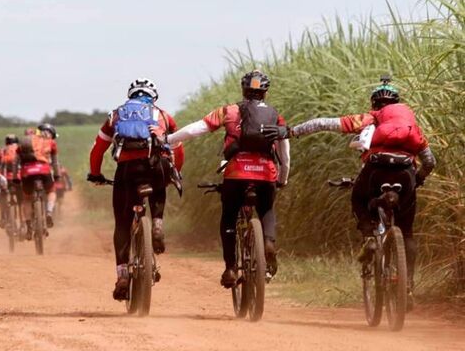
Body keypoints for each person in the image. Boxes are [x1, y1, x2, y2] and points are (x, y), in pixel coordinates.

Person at [280, 75, 436, 309]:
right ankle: (408, 286)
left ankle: (369, 237)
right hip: (406, 174)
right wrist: (419, 179)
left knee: (359, 198)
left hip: (376, 170)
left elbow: (324, 123)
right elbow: (430, 161)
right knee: (407, 233)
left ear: (375, 105)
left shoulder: (370, 119)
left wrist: (291, 132)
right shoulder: (412, 126)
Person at [153, 70, 290, 288]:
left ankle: (230, 268)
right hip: (266, 173)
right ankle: (268, 243)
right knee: (267, 210)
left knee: (228, 216)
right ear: (265, 92)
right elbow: (284, 150)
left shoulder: (229, 111)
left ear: (243, 90)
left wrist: (167, 139)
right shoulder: (275, 114)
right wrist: (282, 177)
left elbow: (196, 129)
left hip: (236, 173)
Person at [87, 77, 184, 300]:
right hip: (155, 167)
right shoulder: (163, 115)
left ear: (131, 95)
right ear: (153, 96)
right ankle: (157, 223)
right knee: (161, 186)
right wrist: (175, 172)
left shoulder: (115, 115)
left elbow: (98, 149)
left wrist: (95, 174)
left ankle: (122, 275)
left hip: (127, 171)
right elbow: (177, 149)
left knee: (122, 222)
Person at [17, 123, 60, 239]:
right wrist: (57, 175)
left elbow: (16, 160)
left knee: (26, 199)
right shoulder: (51, 143)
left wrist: (17, 177)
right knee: (51, 191)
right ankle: (49, 212)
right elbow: (55, 163)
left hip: (27, 173)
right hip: (44, 171)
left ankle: (28, 225)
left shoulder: (26, 141)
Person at [0, 134, 22, 230]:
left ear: (6, 142)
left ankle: (3, 218)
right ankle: (25, 221)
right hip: (20, 179)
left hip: (5, 179)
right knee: (23, 201)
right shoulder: (21, 149)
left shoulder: (1, 151)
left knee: (3, 197)